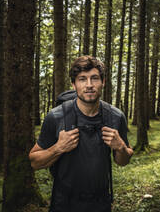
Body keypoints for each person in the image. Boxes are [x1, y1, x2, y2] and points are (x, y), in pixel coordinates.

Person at [29, 56, 133, 212]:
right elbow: (34, 162)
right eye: (82, 79)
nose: (89, 85)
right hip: (64, 204)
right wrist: (58, 148)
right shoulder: (56, 117)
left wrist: (121, 147)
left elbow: (123, 161)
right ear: (74, 84)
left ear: (103, 82)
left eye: (95, 78)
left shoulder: (116, 117)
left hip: (100, 204)